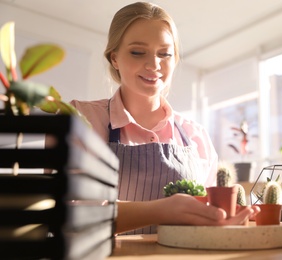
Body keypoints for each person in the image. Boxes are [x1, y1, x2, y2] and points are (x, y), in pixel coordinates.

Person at [70, 2, 259, 235]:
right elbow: (71, 211)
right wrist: (162, 210)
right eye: (138, 52)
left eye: (165, 53)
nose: (153, 65)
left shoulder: (195, 136)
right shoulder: (82, 120)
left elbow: (207, 218)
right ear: (115, 58)